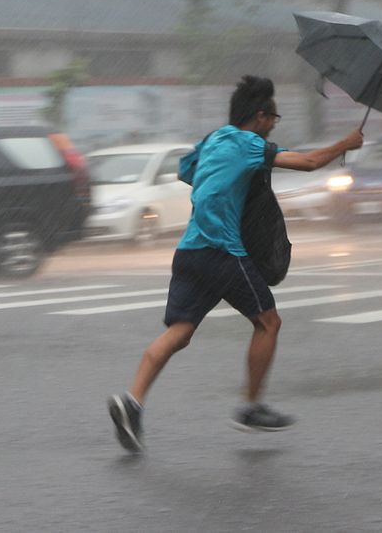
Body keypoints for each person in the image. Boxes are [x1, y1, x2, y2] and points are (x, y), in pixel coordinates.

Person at [107, 75, 363, 453]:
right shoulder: (248, 144)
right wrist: (347, 143)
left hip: (189, 250)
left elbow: (185, 171)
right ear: (260, 115)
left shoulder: (213, 140)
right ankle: (251, 407)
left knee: (180, 332)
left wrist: (224, 185)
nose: (275, 123)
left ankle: (132, 402)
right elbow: (308, 162)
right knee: (268, 322)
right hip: (222, 250)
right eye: (274, 116)